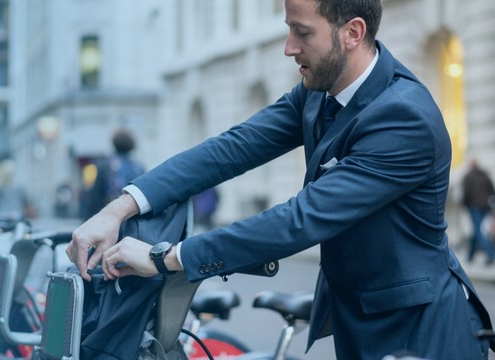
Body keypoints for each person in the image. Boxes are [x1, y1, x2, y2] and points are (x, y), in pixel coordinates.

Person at [67, 0, 494, 358]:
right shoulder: (316, 91)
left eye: (301, 32)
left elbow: (300, 219)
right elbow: (233, 147)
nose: (289, 48)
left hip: (420, 333)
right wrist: (119, 206)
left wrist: (166, 257)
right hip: (360, 322)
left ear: (353, 31)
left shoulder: (404, 117)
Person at [81, 128, 145, 220]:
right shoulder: (138, 167)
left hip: (109, 217)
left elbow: (95, 196)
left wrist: (87, 219)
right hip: (132, 217)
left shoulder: (104, 165)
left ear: (114, 144)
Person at [462, 158, 495, 265]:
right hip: (485, 206)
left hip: (474, 207)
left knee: (477, 230)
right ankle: (470, 256)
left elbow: (466, 194)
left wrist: (465, 205)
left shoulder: (468, 177)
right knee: (476, 229)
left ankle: (491, 254)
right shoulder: (485, 176)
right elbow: (492, 191)